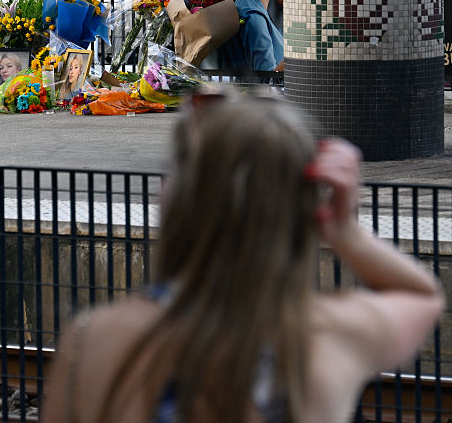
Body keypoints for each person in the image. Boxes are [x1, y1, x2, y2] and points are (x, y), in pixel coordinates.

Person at [41, 91, 444, 423]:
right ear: (302, 211)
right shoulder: (327, 338)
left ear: (174, 200)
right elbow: (422, 297)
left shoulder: (93, 341)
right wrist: (346, 233)